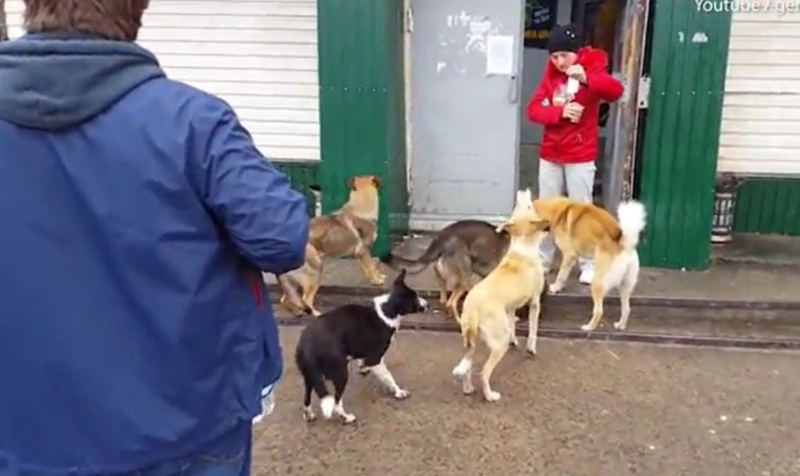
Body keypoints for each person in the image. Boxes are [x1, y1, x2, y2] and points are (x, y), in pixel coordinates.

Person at [0, 1, 310, 475]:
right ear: (136, 11)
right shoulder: (193, 122)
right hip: (186, 424)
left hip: (26, 435)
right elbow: (281, 238)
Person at [526, 23, 624, 284]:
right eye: (554, 56)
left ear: (576, 53)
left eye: (564, 56)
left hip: (580, 154)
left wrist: (587, 79)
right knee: (546, 212)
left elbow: (615, 91)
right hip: (551, 154)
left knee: (581, 212)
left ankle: (589, 262)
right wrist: (558, 113)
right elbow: (533, 109)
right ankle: (543, 260)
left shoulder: (591, 68)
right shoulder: (550, 75)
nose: (559, 62)